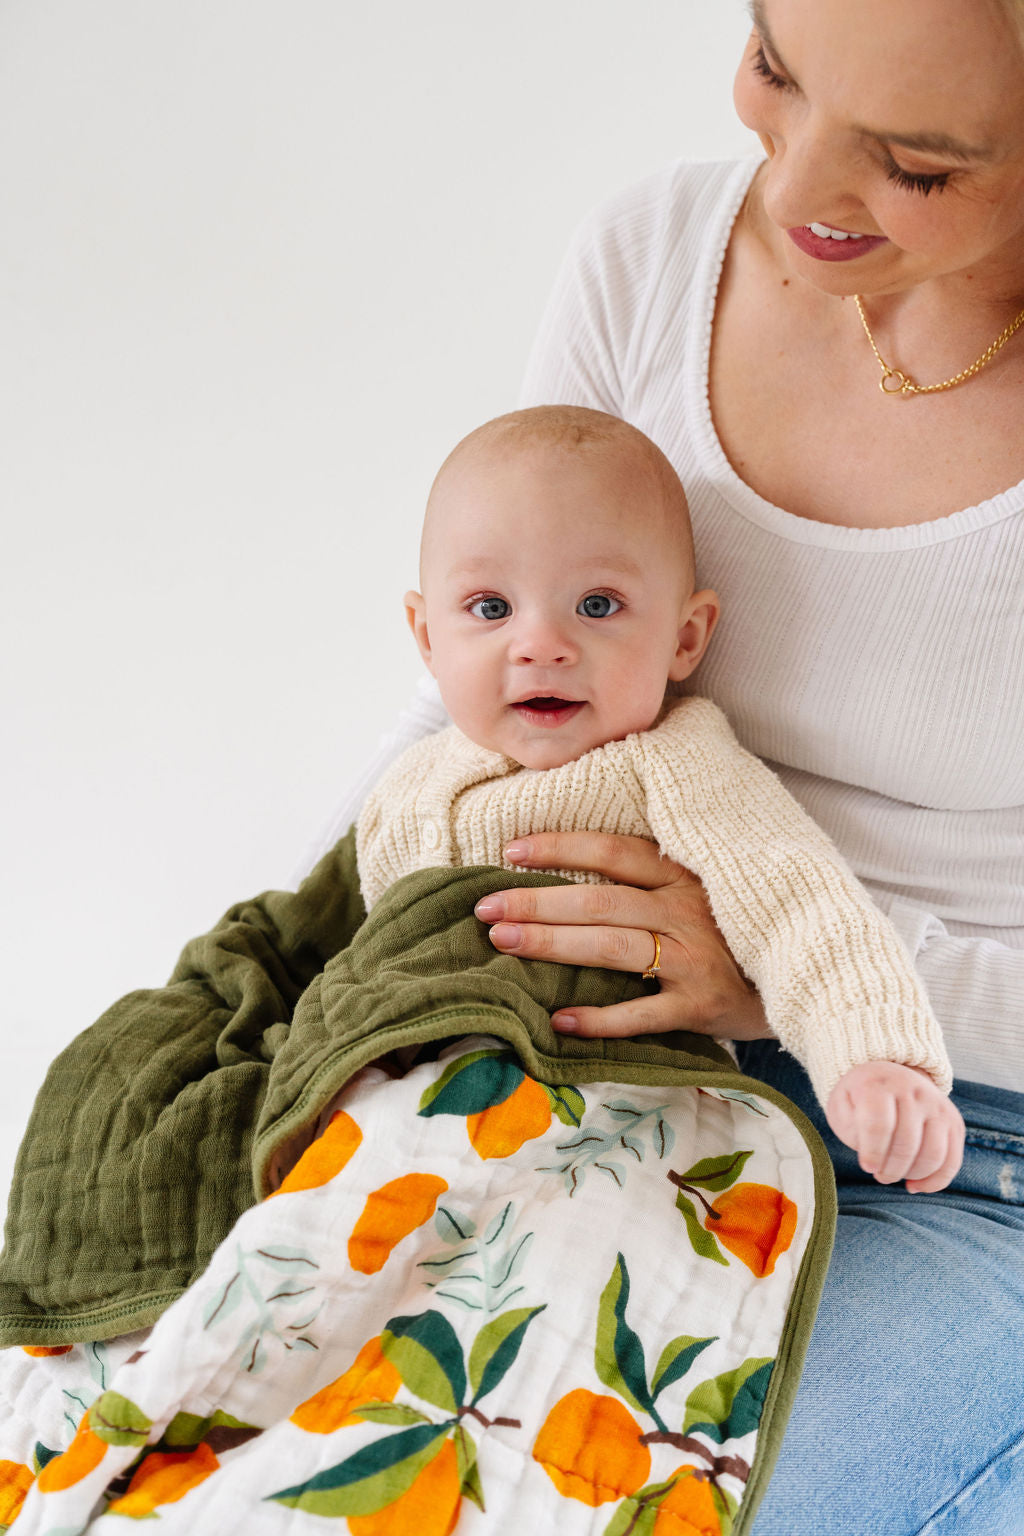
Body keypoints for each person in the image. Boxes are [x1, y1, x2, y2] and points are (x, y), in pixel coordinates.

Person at [314, 1, 1024, 1531]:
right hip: (596, 1072)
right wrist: (317, 988)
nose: (792, 185)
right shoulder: (654, 258)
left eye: (914, 164)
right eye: (776, 67)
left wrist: (785, 971)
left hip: (971, 1143)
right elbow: (468, 692)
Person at [357, 401, 963, 1191]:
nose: (541, 645)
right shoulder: (409, 786)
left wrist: (874, 1058)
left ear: (685, 638)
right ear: (428, 638)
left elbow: (803, 908)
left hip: (626, 1117)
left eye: (597, 606)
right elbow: (358, 953)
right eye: (492, 609)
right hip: (422, 1125)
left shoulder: (677, 764)